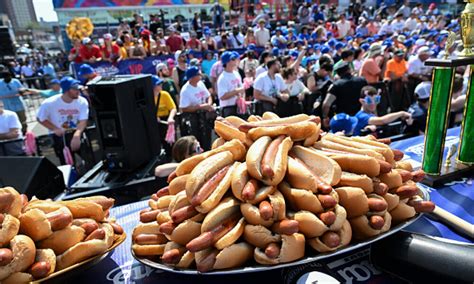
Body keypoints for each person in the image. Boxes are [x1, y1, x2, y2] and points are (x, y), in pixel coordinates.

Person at [36, 76, 89, 166]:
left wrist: (77, 135)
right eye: (75, 89)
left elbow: (83, 120)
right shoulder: (50, 103)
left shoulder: (82, 101)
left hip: (76, 132)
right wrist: (54, 129)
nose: (78, 91)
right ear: (67, 90)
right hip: (60, 136)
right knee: (67, 164)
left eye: (78, 88)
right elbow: (40, 118)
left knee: (89, 159)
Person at [179, 66, 215, 151]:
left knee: (207, 138)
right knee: (198, 140)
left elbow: (208, 95)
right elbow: (184, 108)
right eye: (198, 74)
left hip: (204, 115)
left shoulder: (200, 84)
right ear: (192, 77)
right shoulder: (185, 90)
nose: (200, 75)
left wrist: (208, 104)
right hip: (194, 118)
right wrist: (200, 107)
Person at [322, 61, 367, 128]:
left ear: (338, 74)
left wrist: (325, 117)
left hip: (344, 120)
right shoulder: (362, 80)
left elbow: (326, 104)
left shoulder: (336, 85)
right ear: (349, 69)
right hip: (361, 117)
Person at [151, 76, 177, 157]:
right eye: (158, 84)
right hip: (154, 123)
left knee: (169, 145)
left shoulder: (164, 94)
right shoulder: (147, 96)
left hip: (165, 121)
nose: (160, 85)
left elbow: (173, 108)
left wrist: (170, 117)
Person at [217, 51, 245, 117]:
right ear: (227, 62)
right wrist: (236, 91)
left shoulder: (236, 73)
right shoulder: (223, 78)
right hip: (228, 108)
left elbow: (241, 89)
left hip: (238, 106)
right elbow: (222, 96)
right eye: (233, 59)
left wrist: (242, 99)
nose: (235, 60)